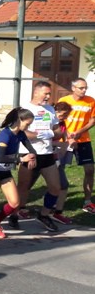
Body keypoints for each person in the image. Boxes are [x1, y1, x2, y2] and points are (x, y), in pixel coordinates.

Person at [13, 81, 62, 233]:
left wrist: (52, 133)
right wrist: (38, 134)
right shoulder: (24, 109)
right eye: (45, 93)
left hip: (47, 153)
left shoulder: (50, 109)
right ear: (36, 92)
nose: (48, 97)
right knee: (23, 187)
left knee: (55, 188)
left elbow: (58, 130)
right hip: (29, 153)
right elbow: (18, 131)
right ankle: (14, 215)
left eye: (49, 94)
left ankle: (44, 215)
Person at [0, 109, 37, 239]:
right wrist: (21, 159)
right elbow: (1, 157)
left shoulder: (20, 134)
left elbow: (31, 148)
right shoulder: (5, 135)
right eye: (27, 124)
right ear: (19, 120)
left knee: (15, 203)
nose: (29, 127)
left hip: (5, 172)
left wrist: (33, 155)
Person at [58, 78, 95, 213]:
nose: (84, 90)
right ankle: (56, 199)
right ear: (73, 88)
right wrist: (68, 135)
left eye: (85, 87)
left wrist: (79, 132)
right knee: (58, 169)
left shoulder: (91, 101)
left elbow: (92, 121)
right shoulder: (64, 100)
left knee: (90, 170)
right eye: (81, 88)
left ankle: (87, 201)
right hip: (65, 140)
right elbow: (59, 120)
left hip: (83, 140)